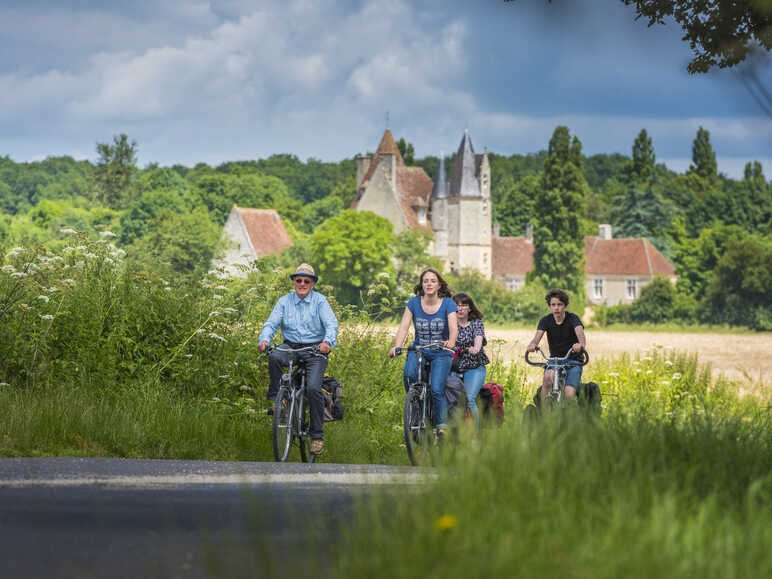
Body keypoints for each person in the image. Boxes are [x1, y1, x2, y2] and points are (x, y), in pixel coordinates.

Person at [258, 263, 338, 455]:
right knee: (275, 357)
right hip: (290, 346)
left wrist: (327, 342)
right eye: (298, 280)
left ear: (312, 284)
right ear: (294, 282)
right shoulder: (284, 301)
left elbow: (331, 324)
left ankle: (317, 437)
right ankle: (279, 402)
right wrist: (264, 339)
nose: (302, 283)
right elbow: (271, 323)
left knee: (312, 388)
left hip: (315, 350)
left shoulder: (320, 301)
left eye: (306, 281)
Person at [390, 268, 458, 434]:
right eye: (425, 281)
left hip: (441, 352)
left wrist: (451, 342)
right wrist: (397, 345)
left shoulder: (448, 303)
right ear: (421, 284)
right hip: (419, 349)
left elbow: (453, 328)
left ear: (439, 285)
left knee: (436, 388)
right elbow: (404, 327)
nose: (429, 284)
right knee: (409, 375)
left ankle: (441, 426)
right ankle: (415, 409)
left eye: (432, 281)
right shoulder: (413, 303)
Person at [526, 289, 586, 402]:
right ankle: (545, 416)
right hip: (554, 361)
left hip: (573, 361)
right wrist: (532, 345)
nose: (556, 308)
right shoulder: (545, 320)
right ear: (549, 306)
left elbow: (582, 339)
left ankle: (570, 416)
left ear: (565, 305)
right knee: (548, 379)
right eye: (553, 305)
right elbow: (535, 339)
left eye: (560, 304)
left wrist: (580, 345)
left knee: (568, 393)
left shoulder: (573, 319)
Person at [451, 292, 490, 431]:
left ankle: (474, 437)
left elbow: (478, 339)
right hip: (454, 367)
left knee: (469, 400)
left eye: (464, 305)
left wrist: (476, 348)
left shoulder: (476, 324)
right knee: (451, 400)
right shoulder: (450, 325)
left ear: (470, 309)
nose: (460, 308)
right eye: (457, 305)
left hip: (474, 367)